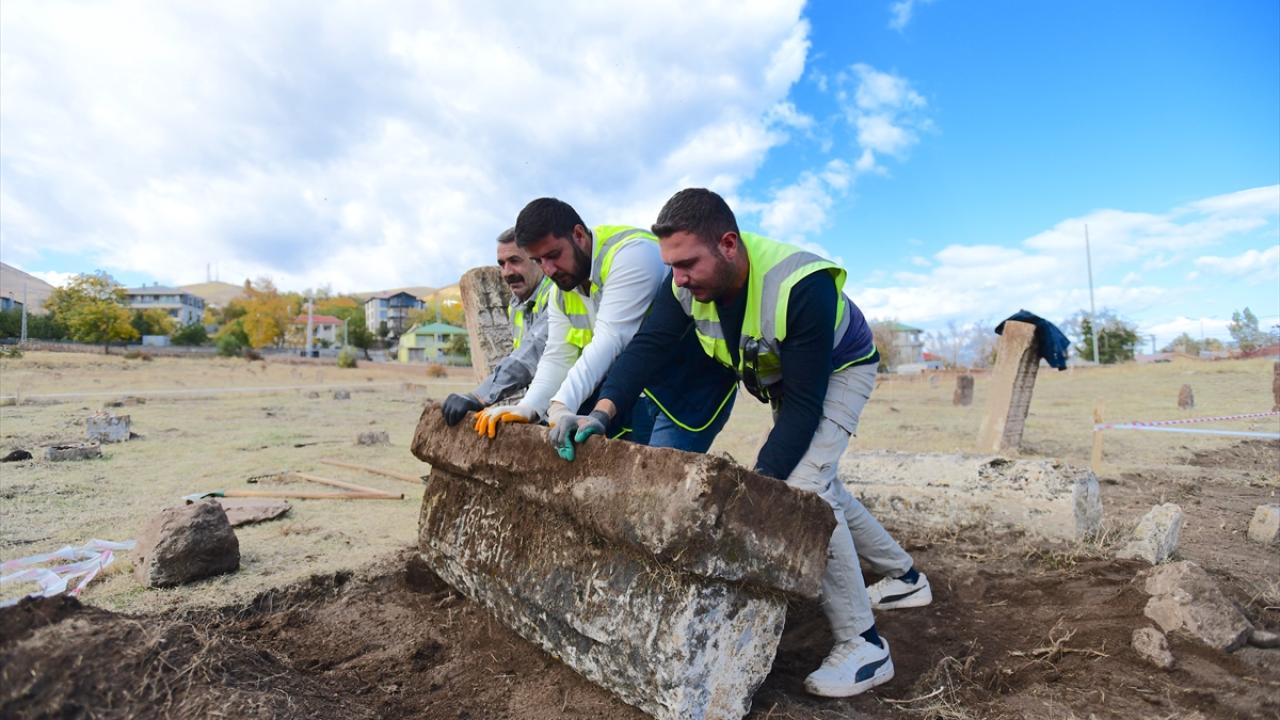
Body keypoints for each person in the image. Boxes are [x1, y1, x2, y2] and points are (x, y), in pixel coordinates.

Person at [558, 188, 931, 698]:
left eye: (688, 264)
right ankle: (904, 576)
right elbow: (646, 348)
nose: (679, 279)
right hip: (786, 381)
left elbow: (803, 408)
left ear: (729, 245)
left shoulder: (802, 286)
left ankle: (865, 645)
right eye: (672, 266)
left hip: (840, 371)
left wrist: (761, 490)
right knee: (822, 482)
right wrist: (601, 413)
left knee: (804, 488)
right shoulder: (684, 284)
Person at [472, 197, 736, 452]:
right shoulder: (561, 290)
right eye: (539, 261)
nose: (549, 270)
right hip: (631, 387)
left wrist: (560, 405)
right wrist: (529, 407)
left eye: (553, 255)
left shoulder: (632, 254)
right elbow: (557, 354)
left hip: (691, 383)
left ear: (578, 235)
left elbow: (610, 339)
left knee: (659, 477)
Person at [440, 227, 553, 425]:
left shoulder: (558, 295)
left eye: (515, 261)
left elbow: (529, 356)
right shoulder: (518, 306)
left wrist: (479, 397)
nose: (507, 272)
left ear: (537, 259)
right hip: (544, 409)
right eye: (502, 264)